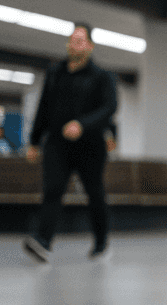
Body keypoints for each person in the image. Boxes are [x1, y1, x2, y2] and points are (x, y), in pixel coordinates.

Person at [22, 23, 118, 263]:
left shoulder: (102, 77)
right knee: (52, 189)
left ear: (90, 46)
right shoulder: (55, 73)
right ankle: (43, 241)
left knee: (94, 193)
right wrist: (34, 141)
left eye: (80, 41)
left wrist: (82, 125)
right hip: (57, 143)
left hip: (90, 145)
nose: (75, 45)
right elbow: (43, 107)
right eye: (72, 40)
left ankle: (101, 241)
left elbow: (109, 108)